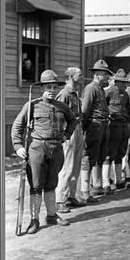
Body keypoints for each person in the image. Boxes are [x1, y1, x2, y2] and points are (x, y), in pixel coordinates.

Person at [11, 70, 77, 234]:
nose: (52, 90)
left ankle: (52, 215)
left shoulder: (62, 107)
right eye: (48, 87)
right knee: (36, 185)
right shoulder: (31, 105)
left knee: (51, 183)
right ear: (42, 88)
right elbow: (17, 127)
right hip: (37, 149)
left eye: (54, 87)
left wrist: (66, 135)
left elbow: (73, 121)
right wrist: (18, 146)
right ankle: (34, 220)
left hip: (56, 149)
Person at [80, 60, 112, 201]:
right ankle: (85, 191)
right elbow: (85, 111)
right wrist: (84, 128)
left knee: (99, 155)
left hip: (103, 126)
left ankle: (97, 186)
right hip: (94, 125)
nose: (107, 78)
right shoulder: (91, 88)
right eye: (105, 75)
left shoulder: (100, 89)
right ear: (98, 74)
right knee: (88, 157)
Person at [55, 67, 86, 213]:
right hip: (69, 132)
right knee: (67, 165)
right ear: (71, 77)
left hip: (77, 129)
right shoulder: (64, 94)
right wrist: (64, 134)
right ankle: (60, 200)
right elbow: (58, 114)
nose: (82, 77)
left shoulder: (74, 94)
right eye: (80, 75)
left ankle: (71, 195)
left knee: (76, 164)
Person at [102, 68, 130, 192]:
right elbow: (104, 107)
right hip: (113, 126)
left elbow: (127, 108)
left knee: (121, 153)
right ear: (116, 82)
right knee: (109, 154)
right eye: (122, 82)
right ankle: (105, 183)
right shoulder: (109, 92)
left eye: (125, 82)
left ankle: (119, 180)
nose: (124, 85)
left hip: (123, 126)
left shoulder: (126, 94)